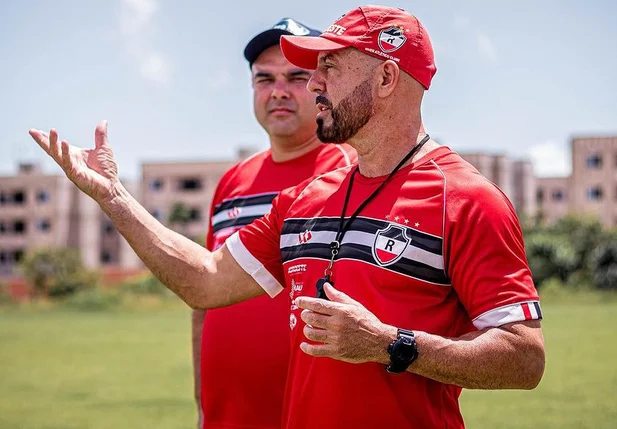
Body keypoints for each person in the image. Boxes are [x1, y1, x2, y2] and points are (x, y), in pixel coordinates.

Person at [29, 5, 545, 429]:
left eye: (330, 68)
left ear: (387, 77)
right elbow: (206, 283)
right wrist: (114, 197)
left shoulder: (469, 199)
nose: (313, 84)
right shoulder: (306, 198)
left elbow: (525, 359)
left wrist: (391, 345)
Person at [192, 18, 355, 429]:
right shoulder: (233, 181)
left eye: (296, 77)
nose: (278, 91)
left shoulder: (351, 172)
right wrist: (202, 402)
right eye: (264, 79)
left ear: (323, 84)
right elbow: (204, 295)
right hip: (228, 416)